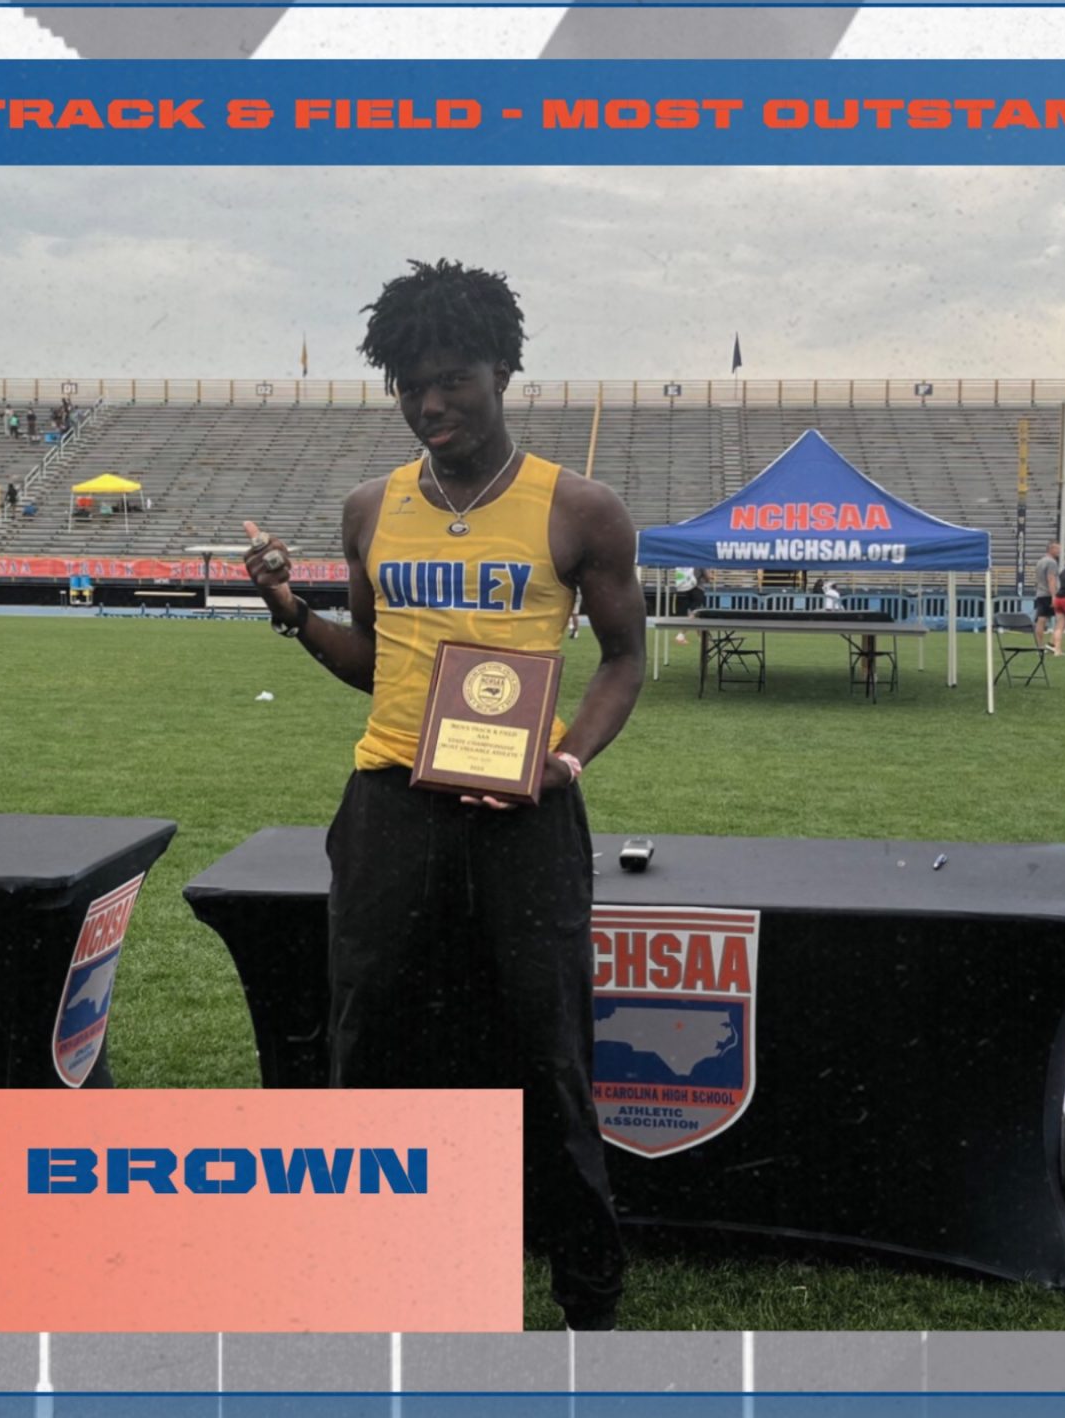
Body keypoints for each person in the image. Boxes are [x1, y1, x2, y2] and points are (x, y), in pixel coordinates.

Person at [240, 258, 643, 1332]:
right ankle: (380, 1271)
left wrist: (565, 760)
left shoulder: (580, 509)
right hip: (390, 809)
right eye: (409, 386)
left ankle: (587, 1296)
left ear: (502, 369)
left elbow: (624, 660)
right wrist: (290, 611)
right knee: (370, 1046)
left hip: (525, 815)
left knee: (549, 1051)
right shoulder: (370, 509)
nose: (430, 404)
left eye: (452, 379)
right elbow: (377, 663)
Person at [1030, 540, 1062, 650]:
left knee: (1041, 619)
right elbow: (1051, 579)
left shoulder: (1040, 561)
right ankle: (1052, 643)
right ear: (1051, 549)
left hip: (1040, 593)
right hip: (1048, 593)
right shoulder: (1052, 562)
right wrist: (1054, 596)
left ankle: (1039, 645)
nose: (1059, 551)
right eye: (1057, 548)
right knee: (1061, 619)